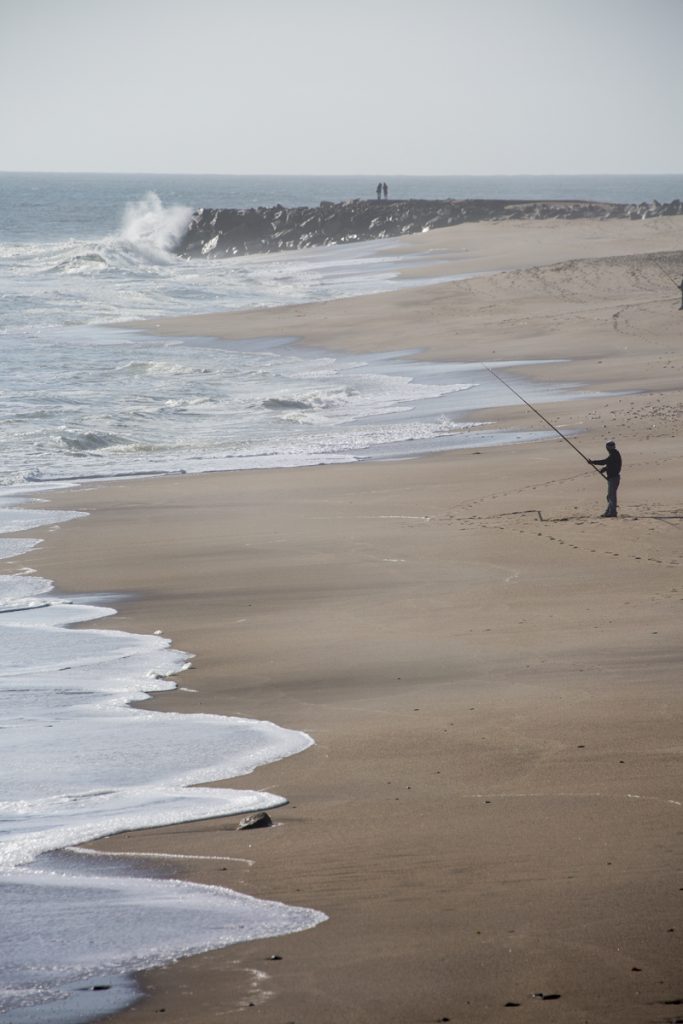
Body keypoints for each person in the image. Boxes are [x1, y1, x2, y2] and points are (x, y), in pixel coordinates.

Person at [589, 440, 622, 517]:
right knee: (610, 496)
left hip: (614, 478)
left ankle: (613, 512)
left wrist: (593, 462)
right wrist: (604, 469)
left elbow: (605, 461)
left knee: (611, 496)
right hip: (612, 477)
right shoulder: (614, 454)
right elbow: (610, 464)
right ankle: (608, 512)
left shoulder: (614, 454)